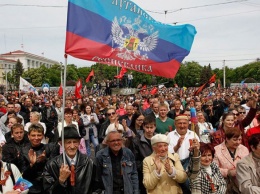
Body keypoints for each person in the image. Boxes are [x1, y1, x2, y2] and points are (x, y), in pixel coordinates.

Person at [43, 125, 95, 194]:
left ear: (79, 142)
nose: (72, 146)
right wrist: (60, 181)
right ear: (62, 143)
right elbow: (48, 191)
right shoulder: (52, 165)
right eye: (68, 142)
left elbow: (97, 188)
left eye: (75, 142)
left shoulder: (89, 162)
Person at [22, 123, 58, 194]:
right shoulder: (23, 150)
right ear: (28, 136)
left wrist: (45, 160)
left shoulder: (50, 147)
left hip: (47, 185)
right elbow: (23, 174)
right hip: (30, 186)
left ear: (43, 136)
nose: (36, 138)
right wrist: (32, 165)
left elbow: (55, 168)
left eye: (39, 135)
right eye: (33, 135)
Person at [213, 127, 249, 194]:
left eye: (240, 139)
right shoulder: (217, 150)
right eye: (235, 140)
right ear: (227, 139)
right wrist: (228, 172)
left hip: (241, 183)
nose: (238, 142)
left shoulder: (244, 149)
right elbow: (213, 169)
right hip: (223, 183)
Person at [131, 116, 156, 194]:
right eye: (147, 127)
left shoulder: (158, 138)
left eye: (151, 127)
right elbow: (135, 159)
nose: (149, 130)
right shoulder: (136, 141)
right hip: (143, 172)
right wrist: (145, 167)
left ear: (155, 127)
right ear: (143, 127)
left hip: (158, 170)